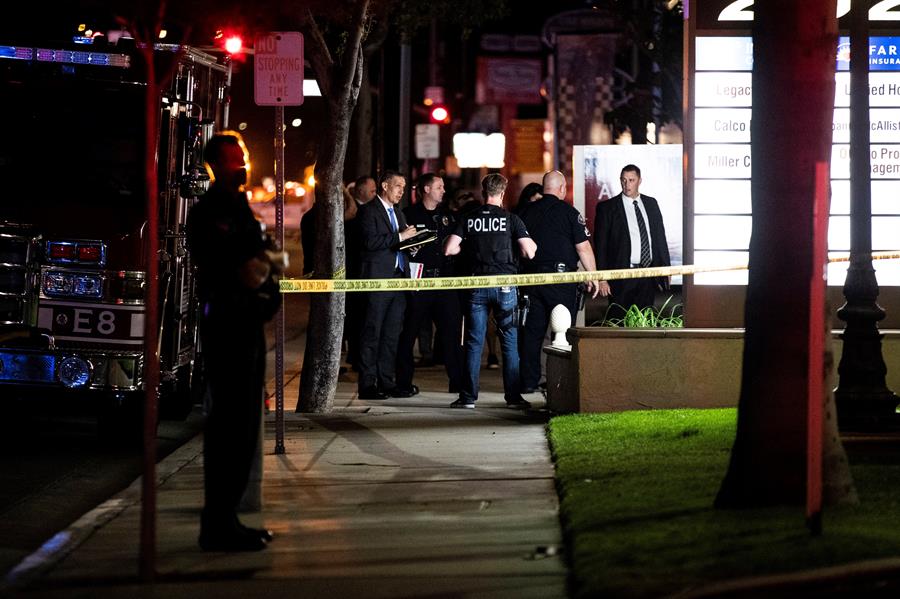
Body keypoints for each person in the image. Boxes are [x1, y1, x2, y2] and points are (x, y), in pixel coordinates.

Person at [186, 133, 286, 552]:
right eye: (233, 159)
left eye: (243, 156)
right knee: (229, 429)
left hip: (246, 324)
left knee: (244, 429)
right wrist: (265, 263)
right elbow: (247, 269)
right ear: (214, 165)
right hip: (228, 325)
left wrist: (267, 263)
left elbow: (268, 259)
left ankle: (227, 519)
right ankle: (219, 524)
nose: (242, 165)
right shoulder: (213, 210)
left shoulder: (238, 205)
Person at [444, 173, 536, 409]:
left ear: (483, 192)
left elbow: (450, 249)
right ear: (502, 193)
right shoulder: (511, 219)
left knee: (474, 342)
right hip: (505, 286)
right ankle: (513, 398)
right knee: (509, 341)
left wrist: (468, 250)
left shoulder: (469, 218)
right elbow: (529, 251)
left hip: (476, 285)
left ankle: (468, 398)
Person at [518, 170, 599, 393]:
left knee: (531, 335)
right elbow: (583, 248)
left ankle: (527, 383)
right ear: (562, 188)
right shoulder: (570, 213)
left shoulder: (525, 212)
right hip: (562, 281)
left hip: (532, 280)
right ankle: (559, 383)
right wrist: (593, 276)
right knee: (561, 332)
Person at [394, 173, 464, 396]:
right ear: (426, 189)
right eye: (439, 187)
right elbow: (401, 246)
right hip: (419, 282)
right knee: (408, 333)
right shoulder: (409, 215)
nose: (443, 191)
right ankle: (403, 383)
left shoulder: (447, 216)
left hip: (444, 282)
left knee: (451, 334)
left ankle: (458, 383)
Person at [356, 170, 418, 399]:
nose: (402, 191)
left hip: (398, 278)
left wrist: (411, 245)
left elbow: (398, 241)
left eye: (403, 187)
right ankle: (367, 384)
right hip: (378, 278)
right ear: (384, 186)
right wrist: (400, 238)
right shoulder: (368, 212)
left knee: (392, 334)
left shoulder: (398, 213)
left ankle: (387, 381)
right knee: (372, 331)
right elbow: (370, 242)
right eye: (398, 186)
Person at [593, 164, 671, 320]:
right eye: (623, 180)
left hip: (648, 275)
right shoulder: (607, 208)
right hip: (621, 277)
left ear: (640, 181)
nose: (627, 184)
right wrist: (602, 278)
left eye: (631, 180)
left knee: (646, 322)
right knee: (619, 321)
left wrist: (666, 267)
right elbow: (600, 246)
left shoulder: (651, 203)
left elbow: (659, 238)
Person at [344, 175, 376, 371]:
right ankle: (356, 357)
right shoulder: (353, 211)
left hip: (364, 272)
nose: (374, 193)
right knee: (355, 317)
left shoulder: (369, 210)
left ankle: (358, 356)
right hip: (353, 270)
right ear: (360, 190)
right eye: (371, 190)